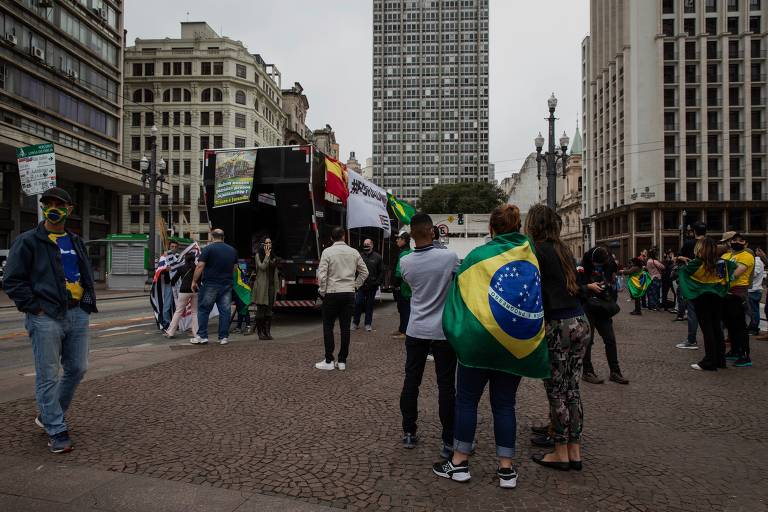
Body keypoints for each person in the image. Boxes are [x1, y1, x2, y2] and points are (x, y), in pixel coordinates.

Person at [434, 205, 538, 488]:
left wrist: (456, 335)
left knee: (466, 401)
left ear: (491, 228)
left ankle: (459, 463)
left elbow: (458, 297)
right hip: (513, 342)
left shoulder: (478, 256)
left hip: (478, 342)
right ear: (518, 227)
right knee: (505, 404)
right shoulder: (530, 257)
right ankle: (506, 469)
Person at [4, 187, 97, 453]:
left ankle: (47, 416)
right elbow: (12, 279)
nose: (52, 208)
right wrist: (34, 307)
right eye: (48, 204)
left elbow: (83, 273)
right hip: (45, 316)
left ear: (69, 210)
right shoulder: (29, 240)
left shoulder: (75, 240)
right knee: (47, 374)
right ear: (43, 208)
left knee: (77, 368)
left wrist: (87, 303)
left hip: (77, 312)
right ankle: (56, 429)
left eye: (59, 204)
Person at [524, 205, 592, 472]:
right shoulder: (563, 248)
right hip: (579, 322)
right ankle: (575, 450)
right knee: (572, 388)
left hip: (557, 324)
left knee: (556, 390)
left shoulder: (536, 251)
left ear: (534, 225)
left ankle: (560, 451)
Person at [399, 214, 459, 459]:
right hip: (442, 331)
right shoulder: (449, 257)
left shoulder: (405, 262)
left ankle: (409, 432)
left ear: (412, 234)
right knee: (446, 386)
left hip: (416, 328)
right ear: (432, 232)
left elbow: (408, 288)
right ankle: (448, 439)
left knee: (412, 381)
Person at [315, 227, 369, 370]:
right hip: (348, 292)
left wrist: (322, 291)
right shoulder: (354, 252)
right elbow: (365, 272)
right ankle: (342, 360)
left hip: (332, 292)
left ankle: (329, 360)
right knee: (345, 327)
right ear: (344, 236)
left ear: (332, 238)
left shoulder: (327, 252)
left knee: (328, 326)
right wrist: (355, 286)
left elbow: (322, 275)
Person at [679, 237, 732, 371]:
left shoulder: (697, 262)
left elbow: (684, 274)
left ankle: (709, 361)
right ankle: (720, 359)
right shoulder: (720, 262)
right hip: (717, 297)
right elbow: (724, 279)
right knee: (716, 328)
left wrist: (683, 262)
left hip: (702, 297)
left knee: (707, 329)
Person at [580, 246, 629, 385]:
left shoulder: (610, 262)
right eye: (596, 264)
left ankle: (615, 372)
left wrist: (606, 285)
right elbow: (577, 285)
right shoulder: (583, 265)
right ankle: (587, 371)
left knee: (610, 339)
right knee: (588, 340)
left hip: (603, 306)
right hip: (588, 306)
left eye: (600, 265)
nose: (598, 267)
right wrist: (590, 286)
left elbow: (612, 281)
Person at [190, 229, 238, 346]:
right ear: (223, 237)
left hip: (210, 284)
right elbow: (235, 268)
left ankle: (202, 336)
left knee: (204, 310)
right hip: (226, 284)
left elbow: (200, 266)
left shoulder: (208, 249)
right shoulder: (232, 250)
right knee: (225, 312)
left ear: (212, 237)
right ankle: (223, 337)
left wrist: (194, 281)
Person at [720, 232, 755, 367]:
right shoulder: (726, 255)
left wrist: (724, 276)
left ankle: (745, 355)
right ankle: (735, 350)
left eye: (741, 241)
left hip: (738, 293)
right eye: (735, 240)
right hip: (726, 293)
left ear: (745, 244)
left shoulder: (747, 256)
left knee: (740, 325)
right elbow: (720, 272)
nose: (738, 242)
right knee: (730, 325)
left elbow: (736, 273)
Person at [675, 222, 707, 348]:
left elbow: (678, 257)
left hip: (692, 281)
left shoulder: (689, 244)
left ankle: (692, 339)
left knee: (693, 310)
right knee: (708, 312)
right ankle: (712, 340)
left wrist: (682, 258)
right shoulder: (710, 243)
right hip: (709, 281)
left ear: (693, 231)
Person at [251, 237, 280, 340]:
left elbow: (274, 268)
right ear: (262, 244)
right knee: (261, 310)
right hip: (262, 286)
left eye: (270, 242)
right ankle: (260, 333)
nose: (268, 245)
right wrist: (267, 256)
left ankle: (267, 332)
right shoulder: (258, 255)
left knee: (269, 310)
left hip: (271, 286)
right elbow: (262, 267)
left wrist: (272, 258)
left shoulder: (273, 255)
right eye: (266, 243)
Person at [165, 251, 198, 339]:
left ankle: (171, 332)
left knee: (178, 311)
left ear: (185, 260)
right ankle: (196, 333)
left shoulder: (181, 268)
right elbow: (200, 280)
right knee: (195, 312)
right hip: (195, 291)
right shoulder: (197, 268)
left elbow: (174, 280)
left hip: (184, 291)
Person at [353, 239, 383, 332]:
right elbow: (354, 270)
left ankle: (368, 324)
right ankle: (355, 323)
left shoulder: (378, 257)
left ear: (372, 245)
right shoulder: (359, 256)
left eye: (368, 244)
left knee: (369, 306)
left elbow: (381, 272)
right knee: (358, 303)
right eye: (364, 244)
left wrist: (377, 282)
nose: (366, 245)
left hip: (372, 286)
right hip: (361, 286)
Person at [391, 232, 413, 339]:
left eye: (398, 239)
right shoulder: (411, 252)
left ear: (404, 240)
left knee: (404, 308)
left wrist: (394, 284)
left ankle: (405, 331)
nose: (396, 240)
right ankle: (401, 328)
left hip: (403, 287)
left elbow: (399, 272)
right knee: (404, 308)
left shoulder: (403, 254)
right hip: (409, 286)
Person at [159, 241, 180, 330]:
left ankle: (176, 323)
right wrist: (165, 270)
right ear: (169, 247)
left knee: (178, 305)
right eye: (172, 246)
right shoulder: (164, 257)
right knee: (167, 304)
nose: (173, 248)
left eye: (175, 247)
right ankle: (166, 323)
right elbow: (159, 270)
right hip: (169, 284)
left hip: (178, 284)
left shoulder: (179, 257)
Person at [747, 250, 765, 336]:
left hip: (753, 290)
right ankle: (753, 328)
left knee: (753, 311)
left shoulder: (757, 261)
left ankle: (753, 329)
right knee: (754, 310)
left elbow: (754, 274)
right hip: (754, 290)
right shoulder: (757, 261)